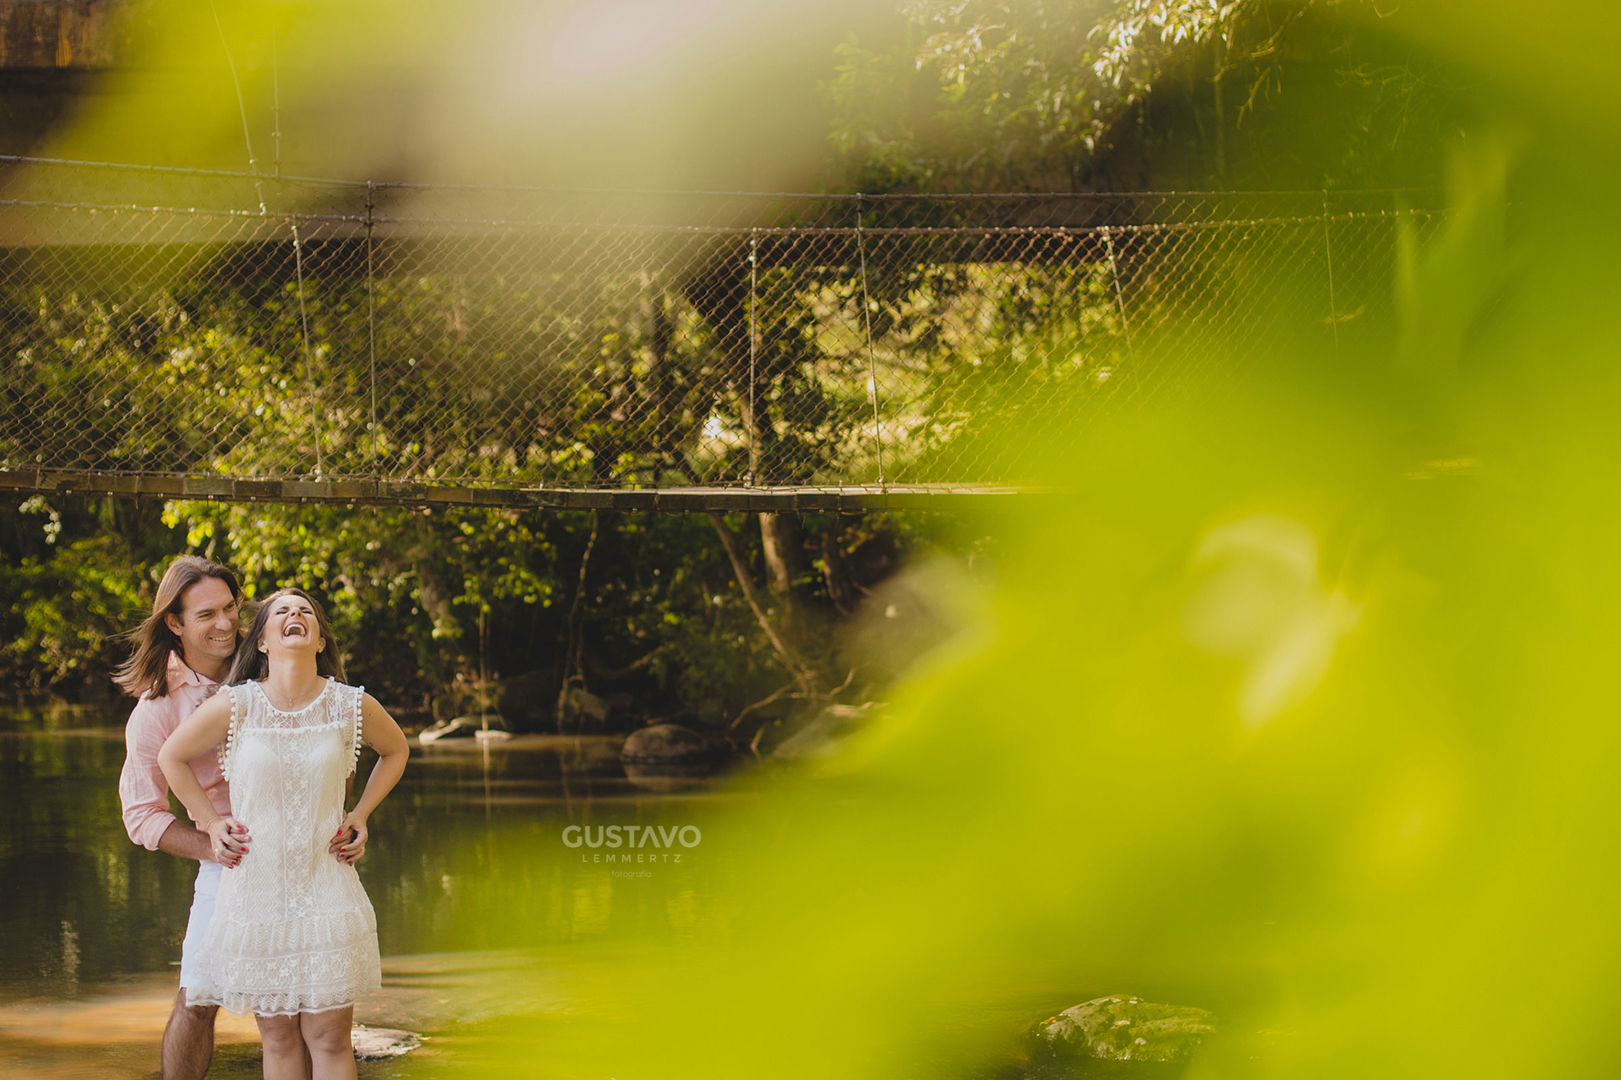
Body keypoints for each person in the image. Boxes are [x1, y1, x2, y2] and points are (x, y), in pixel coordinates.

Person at [159, 587, 409, 1080]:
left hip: (327, 889)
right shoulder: (237, 705)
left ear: (318, 641)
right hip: (257, 895)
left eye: (306, 611)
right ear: (263, 642)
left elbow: (396, 750)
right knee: (277, 1040)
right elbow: (172, 757)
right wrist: (211, 823)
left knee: (330, 1039)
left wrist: (360, 814)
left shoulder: (350, 705)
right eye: (281, 612)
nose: (295, 614)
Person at [116, 555, 255, 1080]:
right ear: (174, 624)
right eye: (206, 615)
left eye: (230, 609)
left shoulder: (273, 668)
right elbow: (141, 817)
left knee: (294, 1006)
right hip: (226, 863)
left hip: (301, 851)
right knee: (197, 1001)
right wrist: (211, 846)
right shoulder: (156, 710)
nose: (225, 624)